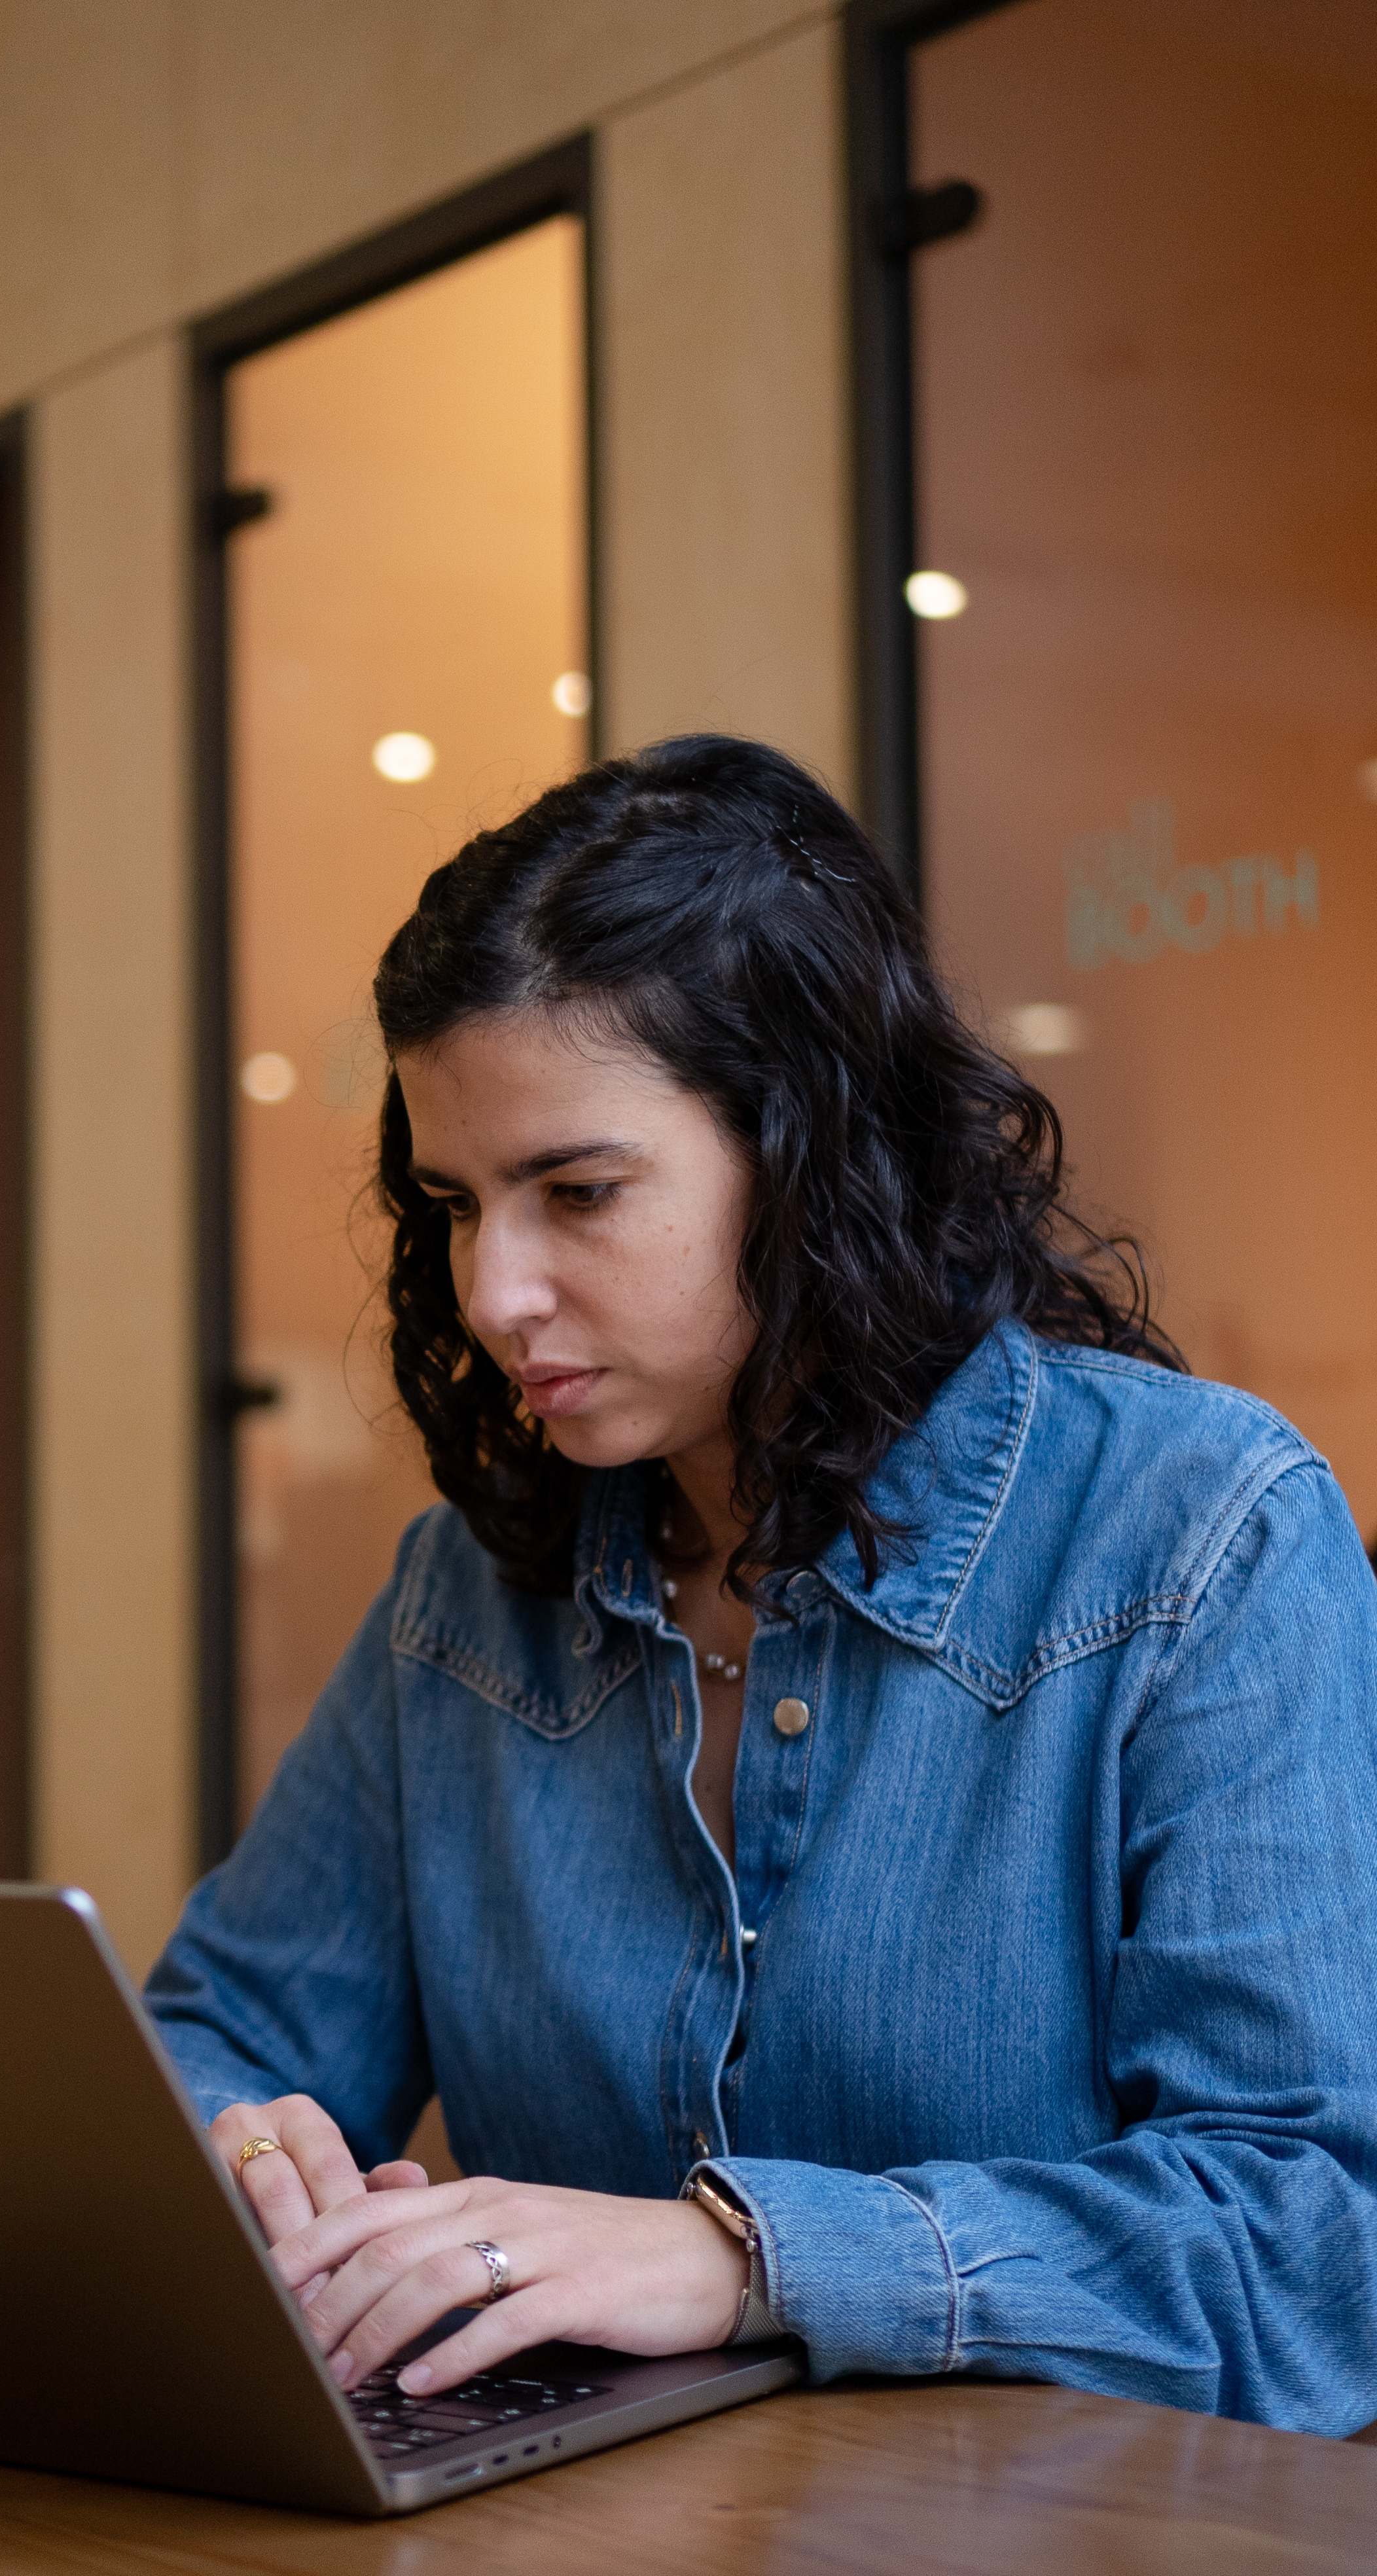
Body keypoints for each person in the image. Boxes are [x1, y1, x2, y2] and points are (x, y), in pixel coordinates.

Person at [147, 734, 1377, 2432]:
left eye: (578, 1192)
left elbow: (1314, 2249)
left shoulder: (1199, 1535)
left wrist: (742, 2260)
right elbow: (219, 2034)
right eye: (456, 1205)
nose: (493, 1291)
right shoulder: (467, 1594)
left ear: (811, 1155)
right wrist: (247, 2151)